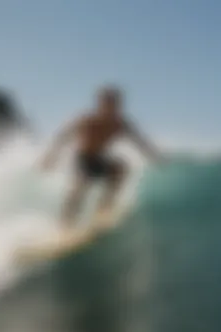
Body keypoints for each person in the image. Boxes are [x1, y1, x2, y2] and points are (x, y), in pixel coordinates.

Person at [40, 85, 164, 228]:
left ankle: (103, 210)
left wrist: (153, 156)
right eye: (107, 103)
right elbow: (63, 136)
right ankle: (65, 222)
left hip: (99, 157)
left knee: (121, 169)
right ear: (100, 104)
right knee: (80, 187)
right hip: (83, 158)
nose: (111, 108)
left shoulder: (122, 124)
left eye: (115, 104)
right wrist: (51, 156)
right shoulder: (87, 120)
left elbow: (140, 141)